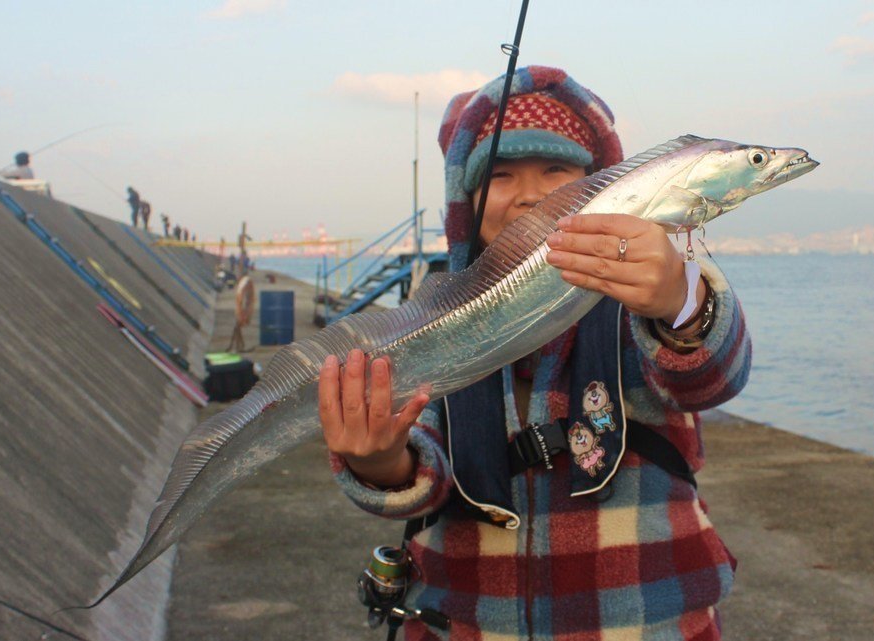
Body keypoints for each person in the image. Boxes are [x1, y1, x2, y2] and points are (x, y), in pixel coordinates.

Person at [319, 66, 751, 640]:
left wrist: (680, 298)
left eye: (558, 170)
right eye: (500, 174)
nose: (531, 193)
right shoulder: (433, 314)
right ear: (466, 201)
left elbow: (713, 380)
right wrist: (378, 462)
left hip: (652, 618)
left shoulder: (648, 284)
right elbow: (422, 467)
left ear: (604, 185)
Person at [227, 273, 255, 353]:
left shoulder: (244, 285)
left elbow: (244, 299)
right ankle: (237, 346)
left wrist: (244, 313)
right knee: (236, 327)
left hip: (243, 310)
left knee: (237, 327)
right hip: (242, 310)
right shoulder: (245, 284)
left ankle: (236, 346)